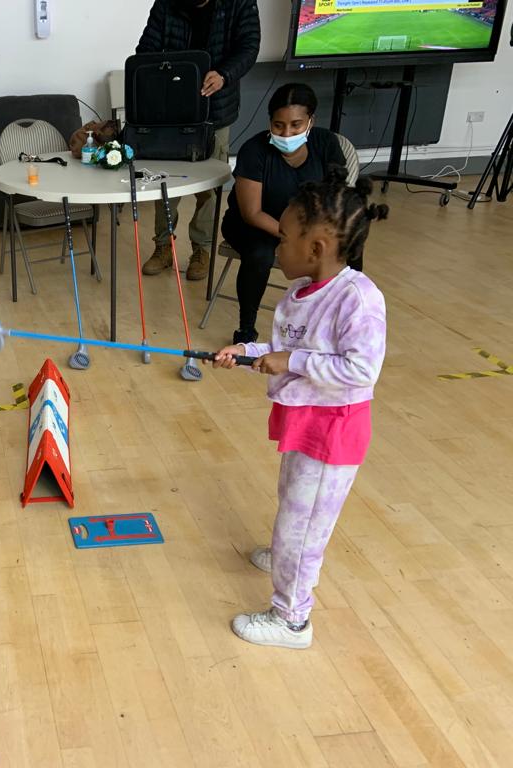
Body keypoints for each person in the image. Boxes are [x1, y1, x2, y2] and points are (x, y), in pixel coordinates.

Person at [212, 170, 389, 649]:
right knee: (293, 500)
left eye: (284, 239)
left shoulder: (358, 300)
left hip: (333, 432)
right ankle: (285, 550)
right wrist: (250, 353)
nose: (277, 247)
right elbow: (286, 348)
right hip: (305, 420)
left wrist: (290, 360)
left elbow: (360, 370)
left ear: (317, 247)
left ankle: (292, 620)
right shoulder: (300, 293)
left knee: (303, 526)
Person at [136, 0, 261, 281]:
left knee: (208, 186)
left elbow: (249, 47)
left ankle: (201, 250)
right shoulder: (166, 5)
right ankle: (163, 247)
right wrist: (164, 77)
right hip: (170, 111)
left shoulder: (239, 4)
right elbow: (145, 50)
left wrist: (224, 75)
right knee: (165, 183)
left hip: (215, 111)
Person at [222, 83, 349, 344]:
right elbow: (252, 213)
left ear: (311, 121)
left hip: (307, 226)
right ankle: (247, 327)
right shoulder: (254, 151)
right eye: (278, 125)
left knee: (346, 251)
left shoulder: (326, 143)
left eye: (296, 125)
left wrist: (314, 233)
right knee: (260, 254)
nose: (287, 132)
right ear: (270, 122)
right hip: (256, 225)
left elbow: (336, 197)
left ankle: (343, 321)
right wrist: (294, 237)